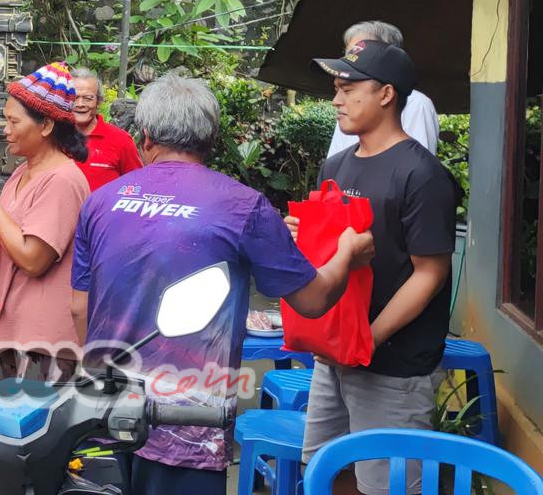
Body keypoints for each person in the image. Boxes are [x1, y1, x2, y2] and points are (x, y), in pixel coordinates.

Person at [69, 74, 375, 495]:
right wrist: (348, 254)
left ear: (145, 138)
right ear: (212, 138)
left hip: (103, 412)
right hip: (190, 427)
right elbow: (314, 299)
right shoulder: (243, 205)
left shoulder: (100, 201)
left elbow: (78, 309)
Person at [298, 40, 459, 495]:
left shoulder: (422, 175)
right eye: (335, 88)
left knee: (384, 486)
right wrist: (305, 233)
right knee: (327, 471)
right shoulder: (336, 165)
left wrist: (368, 338)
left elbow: (430, 272)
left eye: (349, 88)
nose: (336, 99)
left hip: (392, 365)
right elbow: (332, 252)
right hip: (334, 356)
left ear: (386, 94)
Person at [0, 62, 91, 383]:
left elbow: (32, 259)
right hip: (17, 331)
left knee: (34, 428)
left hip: (43, 342)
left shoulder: (61, 180)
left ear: (46, 126)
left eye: (13, 121)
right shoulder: (22, 172)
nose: (5, 130)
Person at [327, 21, 438, 156]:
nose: (350, 59)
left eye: (359, 52)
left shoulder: (417, 104)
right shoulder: (348, 107)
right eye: (348, 53)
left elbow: (417, 164)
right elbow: (335, 165)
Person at [70, 66, 142, 190]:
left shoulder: (121, 141)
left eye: (88, 98)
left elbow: (137, 185)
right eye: (74, 98)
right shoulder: (53, 137)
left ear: (99, 101)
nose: (80, 104)